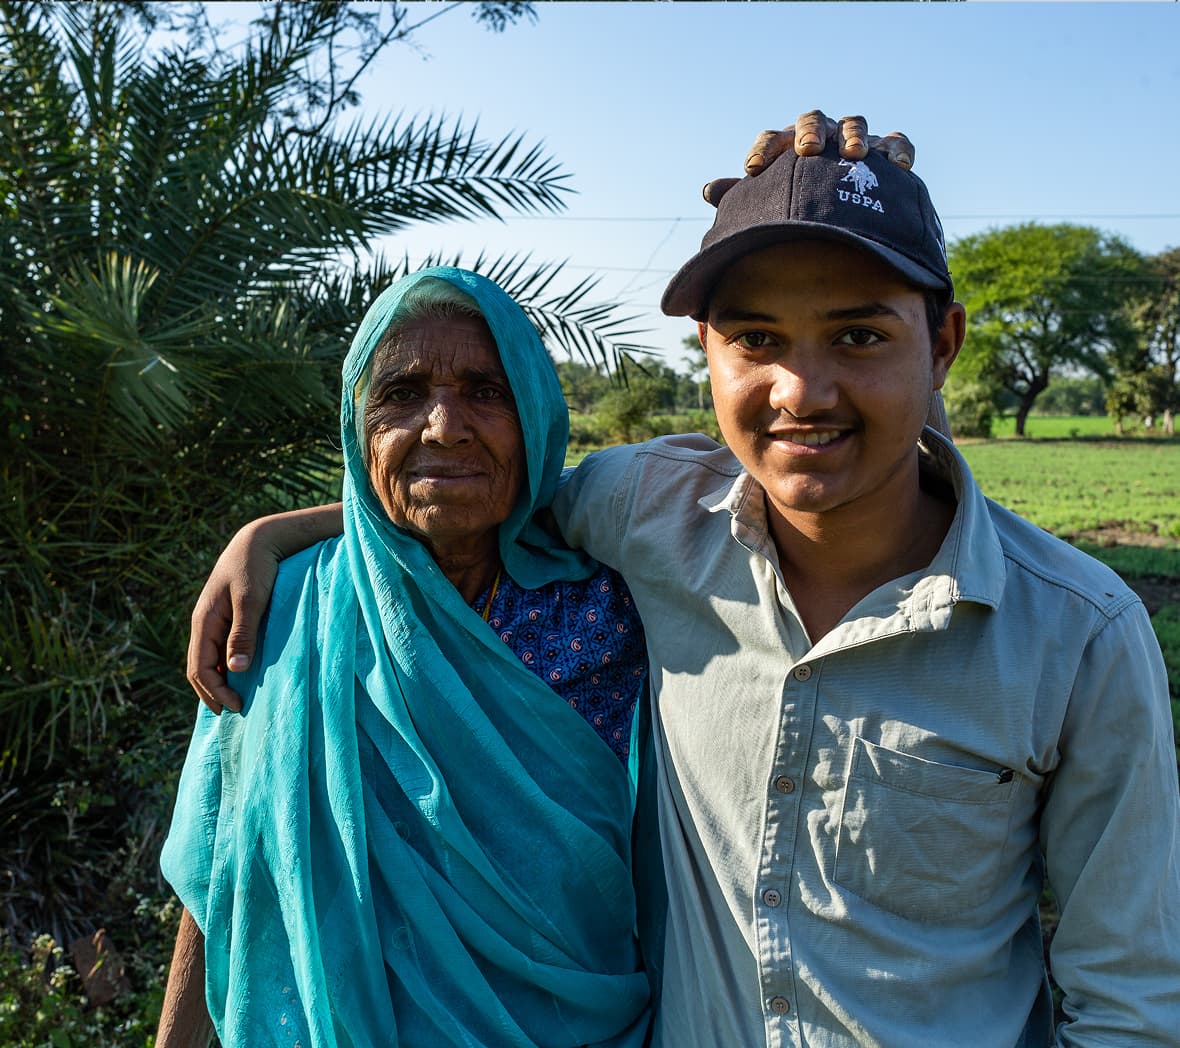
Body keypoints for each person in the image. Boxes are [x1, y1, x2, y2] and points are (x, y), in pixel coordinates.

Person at [191, 118, 1180, 1045]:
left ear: (944, 346)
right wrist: (275, 533)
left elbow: (1128, 998)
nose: (802, 391)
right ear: (705, 352)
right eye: (755, 339)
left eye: (860, 336)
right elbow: (477, 487)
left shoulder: (1080, 634)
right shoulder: (651, 512)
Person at [158, 268, 655, 1046]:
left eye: (488, 391)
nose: (444, 425)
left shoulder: (612, 607)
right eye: (401, 393)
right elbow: (227, 875)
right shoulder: (279, 611)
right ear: (359, 432)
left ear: (536, 418)